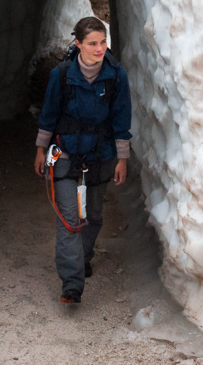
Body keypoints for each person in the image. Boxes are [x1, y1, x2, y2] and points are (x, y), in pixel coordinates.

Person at [34, 16, 132, 304]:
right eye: (92, 43)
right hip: (64, 153)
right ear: (78, 44)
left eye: (103, 42)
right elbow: (49, 114)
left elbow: (121, 119)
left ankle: (83, 257)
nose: (100, 48)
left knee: (92, 216)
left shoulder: (116, 76)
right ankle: (72, 284)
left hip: (100, 154)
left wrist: (122, 158)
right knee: (69, 219)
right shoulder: (62, 75)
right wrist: (41, 149)